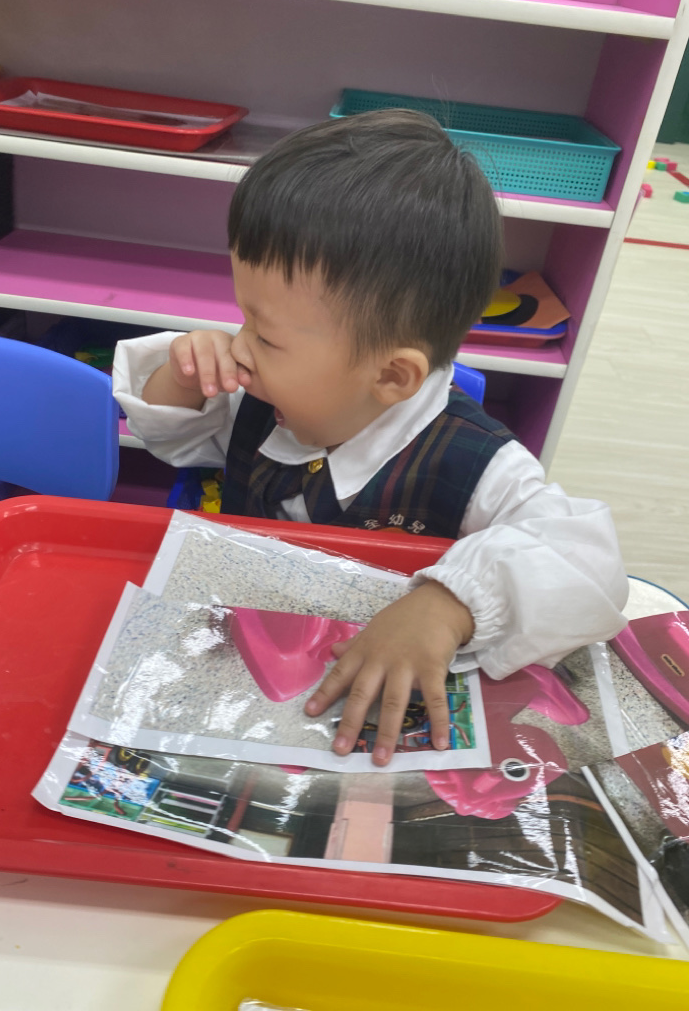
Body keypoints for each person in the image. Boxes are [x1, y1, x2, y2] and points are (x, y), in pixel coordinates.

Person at [113, 109, 628, 767]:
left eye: (263, 335)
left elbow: (590, 565)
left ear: (389, 375)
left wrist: (447, 607)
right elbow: (172, 438)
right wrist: (185, 376)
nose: (239, 345)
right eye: (242, 318)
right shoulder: (261, 398)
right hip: (242, 663)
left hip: (374, 714)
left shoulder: (475, 463)